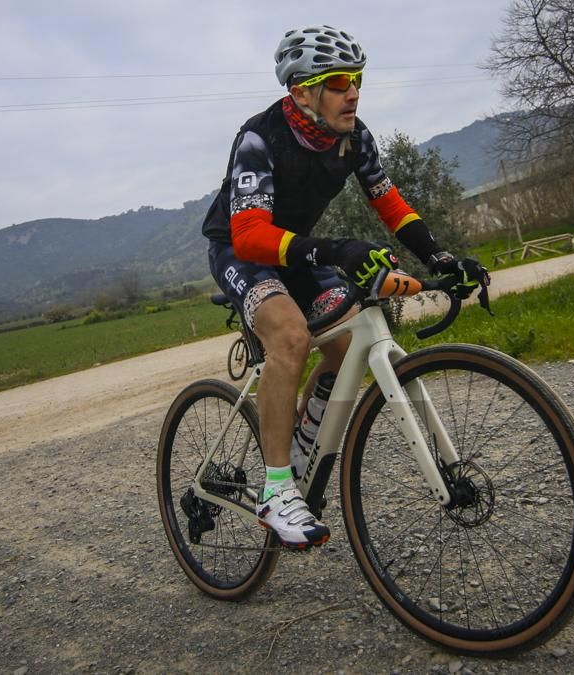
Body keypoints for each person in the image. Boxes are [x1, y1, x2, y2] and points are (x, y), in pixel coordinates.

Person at [201, 24, 483, 550]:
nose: (352, 90)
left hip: (299, 249)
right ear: (302, 90)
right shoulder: (260, 138)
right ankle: (277, 489)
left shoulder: (355, 137)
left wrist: (440, 256)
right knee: (290, 337)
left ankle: (304, 442)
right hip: (241, 248)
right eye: (337, 81)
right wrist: (333, 250)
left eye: (356, 78)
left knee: (349, 341)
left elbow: (389, 202)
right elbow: (251, 233)